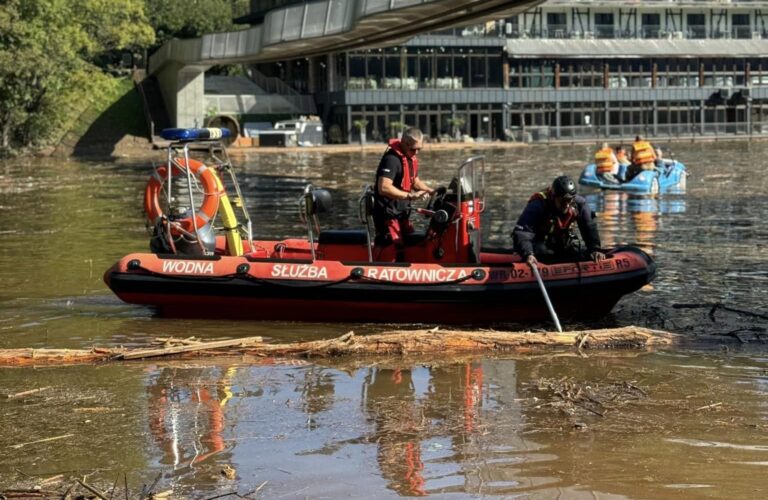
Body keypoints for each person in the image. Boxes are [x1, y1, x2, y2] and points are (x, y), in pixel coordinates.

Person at [513, 175, 606, 265]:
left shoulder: (579, 204)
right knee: (541, 250)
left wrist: (595, 249)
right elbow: (523, 233)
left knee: (575, 247)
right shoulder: (538, 205)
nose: (567, 205)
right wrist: (528, 254)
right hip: (538, 244)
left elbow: (589, 227)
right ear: (554, 197)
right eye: (563, 201)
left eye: (569, 200)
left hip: (561, 243)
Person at [372, 127, 434, 250]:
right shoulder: (391, 160)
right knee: (394, 247)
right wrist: (409, 196)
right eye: (414, 149)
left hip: (402, 213)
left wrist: (431, 191)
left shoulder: (410, 158)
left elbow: (414, 181)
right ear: (404, 144)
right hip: (388, 215)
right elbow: (383, 187)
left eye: (419, 149)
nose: (416, 153)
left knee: (414, 241)